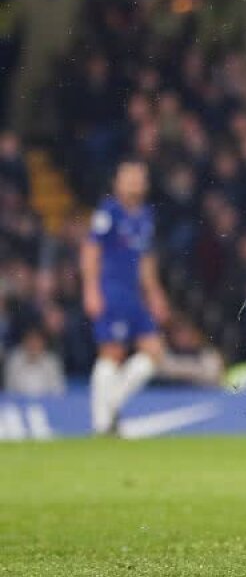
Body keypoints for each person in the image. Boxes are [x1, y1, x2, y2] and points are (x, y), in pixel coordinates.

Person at [81, 159, 170, 434]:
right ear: (117, 182)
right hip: (112, 291)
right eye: (129, 177)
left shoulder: (145, 215)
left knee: (154, 351)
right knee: (112, 353)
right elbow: (91, 251)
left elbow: (145, 259)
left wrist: (155, 293)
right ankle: (103, 421)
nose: (135, 182)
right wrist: (91, 289)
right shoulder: (108, 212)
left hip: (134, 295)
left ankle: (110, 406)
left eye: (139, 178)